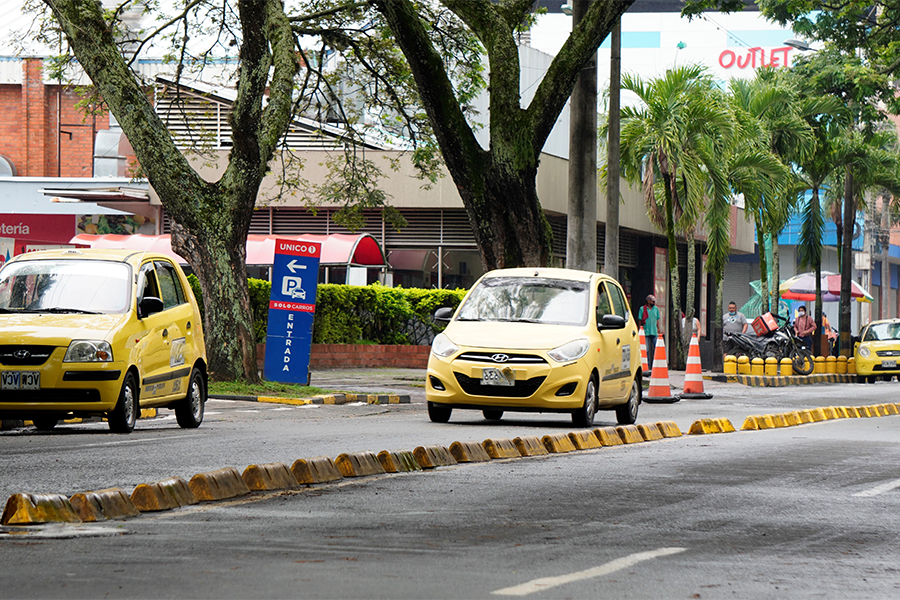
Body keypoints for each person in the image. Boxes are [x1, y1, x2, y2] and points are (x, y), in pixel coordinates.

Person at [639, 294, 661, 365]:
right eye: (652, 301)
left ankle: (656, 364)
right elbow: (640, 320)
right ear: (648, 301)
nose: (653, 303)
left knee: (657, 348)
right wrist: (640, 329)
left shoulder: (656, 309)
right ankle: (646, 364)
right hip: (646, 331)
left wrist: (658, 328)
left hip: (654, 331)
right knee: (646, 349)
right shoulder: (643, 309)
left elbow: (657, 319)